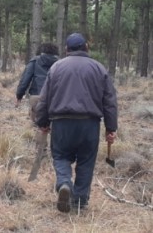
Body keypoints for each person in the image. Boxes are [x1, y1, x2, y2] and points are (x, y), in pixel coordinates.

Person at [35, 33, 118, 213]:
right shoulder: (99, 68)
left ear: (66, 49)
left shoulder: (56, 67)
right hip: (90, 124)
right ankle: (79, 201)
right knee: (86, 161)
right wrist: (111, 128)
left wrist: (42, 121)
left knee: (60, 156)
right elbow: (110, 100)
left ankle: (64, 183)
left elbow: (44, 98)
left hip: (62, 123)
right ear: (86, 47)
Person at [15, 42, 59, 122]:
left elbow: (25, 80)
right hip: (56, 98)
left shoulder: (35, 61)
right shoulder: (60, 63)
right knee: (54, 126)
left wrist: (19, 95)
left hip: (37, 96)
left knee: (37, 127)